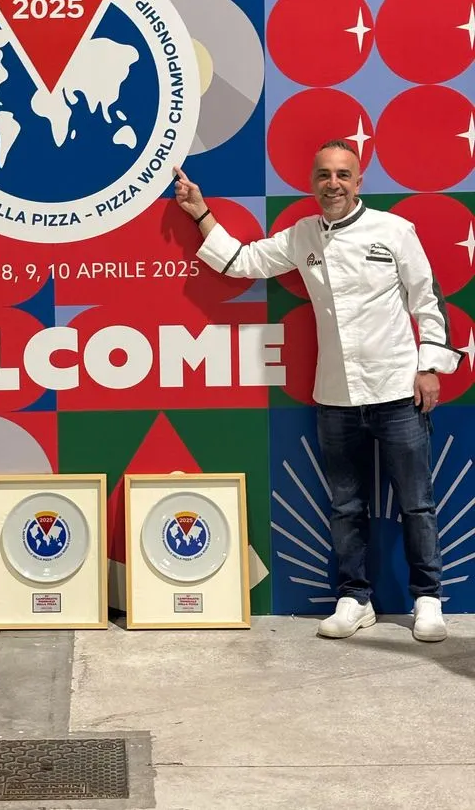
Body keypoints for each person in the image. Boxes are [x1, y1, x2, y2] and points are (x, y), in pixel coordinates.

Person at [174, 140, 463, 642]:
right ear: (312, 182)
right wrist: (200, 212)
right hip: (336, 396)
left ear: (359, 181)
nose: (333, 184)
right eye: (324, 175)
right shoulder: (302, 235)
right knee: (346, 506)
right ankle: (355, 599)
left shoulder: (394, 230)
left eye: (343, 175)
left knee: (416, 503)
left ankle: (427, 600)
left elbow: (427, 300)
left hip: (398, 390)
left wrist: (430, 367)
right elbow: (241, 261)